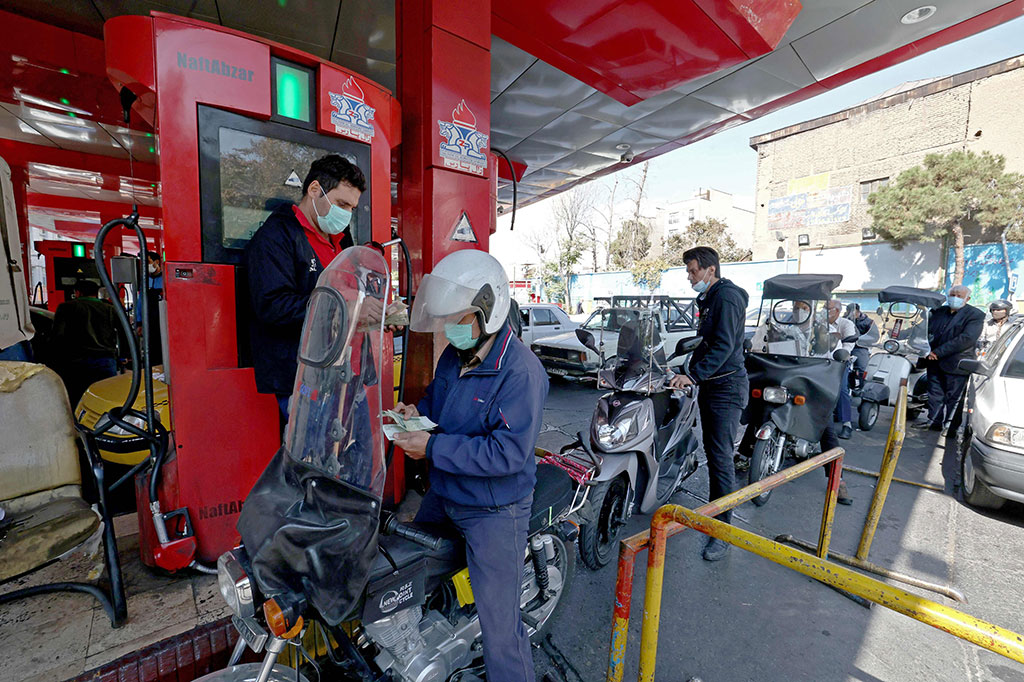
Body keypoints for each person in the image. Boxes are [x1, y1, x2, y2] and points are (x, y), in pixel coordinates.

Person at [390, 250, 548, 682]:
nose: (448, 329)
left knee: (501, 631)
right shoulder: (453, 358)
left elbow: (507, 455)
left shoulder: (522, 373)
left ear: (488, 311)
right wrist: (412, 415)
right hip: (445, 493)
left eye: (457, 319)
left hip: (493, 510)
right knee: (403, 575)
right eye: (444, 320)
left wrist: (433, 449)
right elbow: (436, 408)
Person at [245, 154, 368, 419]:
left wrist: (373, 311)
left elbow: (353, 290)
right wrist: (343, 306)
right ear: (315, 190)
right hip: (304, 377)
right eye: (341, 204)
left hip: (347, 371)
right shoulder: (275, 237)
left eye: (351, 208)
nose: (346, 214)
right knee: (312, 456)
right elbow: (273, 306)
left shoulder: (342, 240)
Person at [668, 246, 748, 561]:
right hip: (713, 385)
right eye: (689, 272)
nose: (690, 278)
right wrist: (682, 368)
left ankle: (722, 532)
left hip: (725, 388)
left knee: (720, 458)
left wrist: (694, 375)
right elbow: (705, 342)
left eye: (693, 271)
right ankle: (715, 511)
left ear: (710, 269)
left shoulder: (726, 297)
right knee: (714, 453)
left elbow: (725, 346)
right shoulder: (712, 296)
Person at [913, 285, 984, 431]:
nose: (954, 298)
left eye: (958, 295)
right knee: (934, 394)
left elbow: (966, 339)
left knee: (954, 398)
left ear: (967, 298)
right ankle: (934, 421)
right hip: (933, 361)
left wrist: (938, 352)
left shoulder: (975, 315)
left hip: (956, 363)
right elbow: (927, 331)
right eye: (952, 294)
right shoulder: (938, 311)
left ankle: (951, 426)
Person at [49, 279, 124, 406]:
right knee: (106, 400)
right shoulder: (110, 309)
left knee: (78, 401)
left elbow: (57, 337)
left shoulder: (66, 307)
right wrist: (124, 356)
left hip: (75, 363)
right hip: (105, 362)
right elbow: (123, 333)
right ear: (96, 293)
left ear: (77, 293)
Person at [827, 299, 857, 439]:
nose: (824, 312)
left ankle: (847, 424)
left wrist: (841, 356)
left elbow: (849, 344)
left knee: (841, 389)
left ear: (837, 311)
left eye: (828, 309)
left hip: (839, 359)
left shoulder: (847, 324)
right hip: (820, 359)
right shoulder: (819, 322)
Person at [845, 303, 878, 386]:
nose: (850, 314)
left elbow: (874, 336)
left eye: (852, 312)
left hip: (859, 347)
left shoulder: (869, 322)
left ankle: (863, 387)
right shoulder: (845, 320)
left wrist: (861, 339)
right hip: (845, 344)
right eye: (848, 312)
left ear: (857, 311)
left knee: (862, 367)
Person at [145, 250, 164, 365]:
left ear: (156, 262)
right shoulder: (145, 280)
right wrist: (139, 321)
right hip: (149, 322)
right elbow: (141, 301)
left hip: (163, 321)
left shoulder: (166, 279)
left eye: (148, 261)